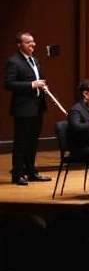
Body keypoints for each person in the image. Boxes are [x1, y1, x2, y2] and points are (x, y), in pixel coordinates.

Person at [5, 31, 51, 185]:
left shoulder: (34, 60)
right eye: (28, 42)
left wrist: (42, 86)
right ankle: (17, 174)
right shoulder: (14, 61)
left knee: (33, 141)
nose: (32, 45)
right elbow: (9, 84)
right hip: (23, 108)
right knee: (21, 142)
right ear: (19, 45)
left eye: (33, 42)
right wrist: (32, 85)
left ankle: (31, 172)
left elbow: (38, 79)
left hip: (37, 106)